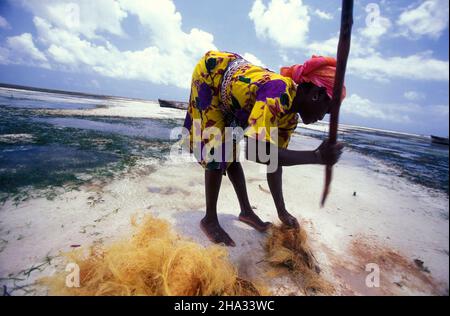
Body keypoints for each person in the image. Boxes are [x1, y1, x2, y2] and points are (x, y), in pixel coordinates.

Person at [182, 51, 345, 247]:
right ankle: (209, 219)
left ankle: (246, 211)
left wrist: (282, 211)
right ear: (316, 95)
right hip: (212, 76)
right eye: (326, 111)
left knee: (230, 151)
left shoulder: (289, 119)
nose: (322, 117)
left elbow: (273, 162)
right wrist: (316, 157)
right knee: (218, 152)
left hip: (236, 99)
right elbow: (255, 151)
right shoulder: (279, 90)